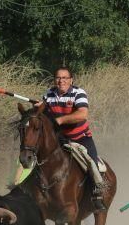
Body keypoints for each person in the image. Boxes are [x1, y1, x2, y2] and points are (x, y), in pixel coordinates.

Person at [35, 67, 106, 211]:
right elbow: (42, 110)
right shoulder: (49, 94)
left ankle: (97, 196)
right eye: (58, 78)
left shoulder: (78, 93)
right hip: (60, 140)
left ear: (71, 80)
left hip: (81, 138)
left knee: (92, 165)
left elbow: (82, 114)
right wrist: (38, 108)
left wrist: (60, 120)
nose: (61, 81)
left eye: (65, 78)